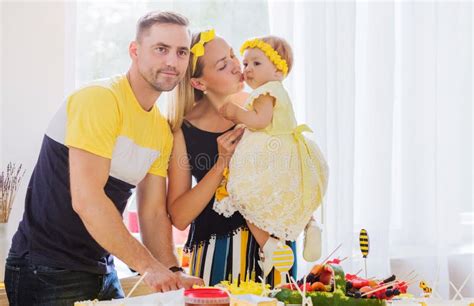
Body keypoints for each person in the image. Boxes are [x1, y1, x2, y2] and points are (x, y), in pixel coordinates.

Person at [4, 11, 203, 306]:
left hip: (101, 269)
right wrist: (149, 267)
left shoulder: (160, 129)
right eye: (161, 49)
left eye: (181, 52)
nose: (172, 62)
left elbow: (152, 214)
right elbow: (87, 200)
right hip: (47, 269)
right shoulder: (99, 99)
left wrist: (172, 271)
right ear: (135, 51)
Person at [166, 29, 297, 287]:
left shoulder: (261, 106)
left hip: (276, 244)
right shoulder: (183, 130)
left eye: (233, 56)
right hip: (219, 247)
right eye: (224, 65)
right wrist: (221, 164)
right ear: (199, 83)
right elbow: (179, 216)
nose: (238, 66)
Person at [213, 35, 329, 273]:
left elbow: (260, 120)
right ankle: (310, 223)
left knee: (243, 196)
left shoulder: (266, 92)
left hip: (269, 155)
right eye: (246, 64)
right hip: (288, 154)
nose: (247, 70)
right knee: (288, 196)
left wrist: (236, 113)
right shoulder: (277, 90)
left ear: (278, 71)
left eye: (256, 64)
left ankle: (270, 245)